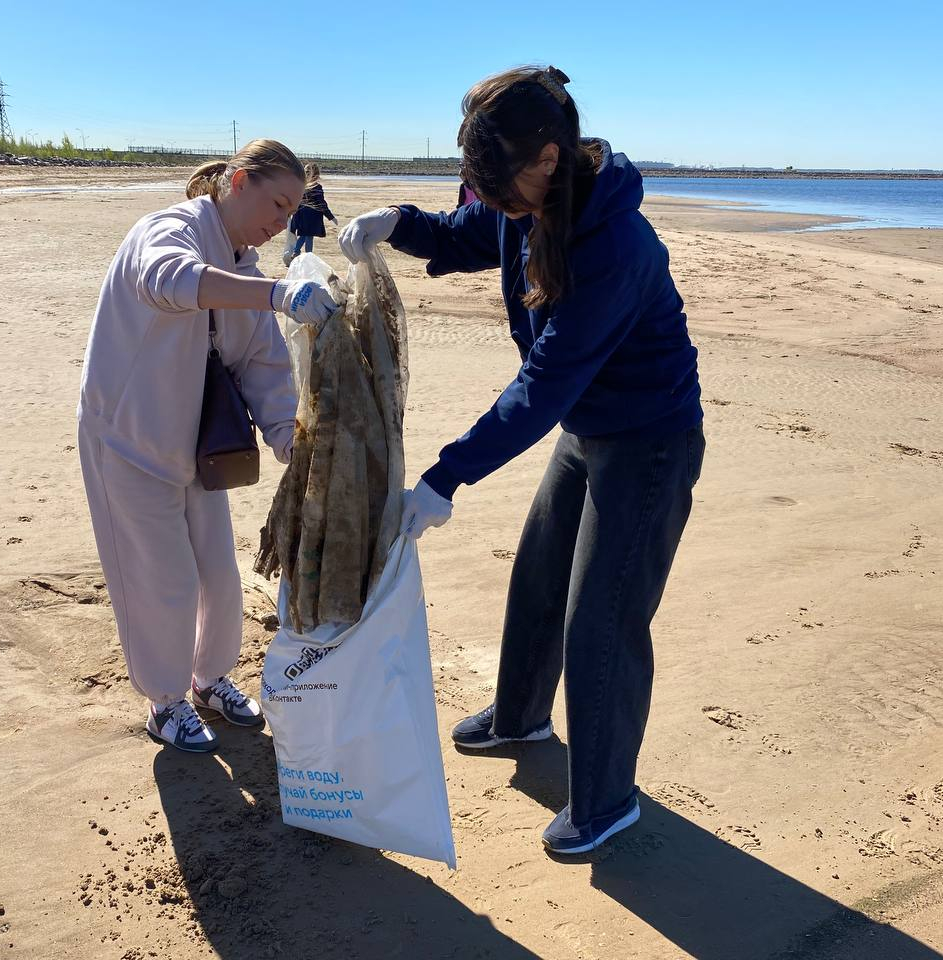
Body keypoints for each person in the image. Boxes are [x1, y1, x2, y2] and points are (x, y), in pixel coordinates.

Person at [338, 66, 704, 855]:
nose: (494, 206)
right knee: (538, 575)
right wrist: (397, 223)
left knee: (601, 618)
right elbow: (463, 232)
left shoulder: (615, 246)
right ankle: (521, 717)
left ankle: (606, 802)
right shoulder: (521, 202)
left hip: (650, 440)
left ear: (547, 158)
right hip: (589, 429)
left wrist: (445, 476)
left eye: (500, 190)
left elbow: (542, 385)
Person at [78, 140, 339, 754]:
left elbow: (263, 367)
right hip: (128, 440)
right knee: (161, 579)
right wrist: (276, 294)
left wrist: (290, 443)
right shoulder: (169, 230)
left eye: (291, 210)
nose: (282, 222)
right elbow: (167, 281)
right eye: (277, 204)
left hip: (196, 448)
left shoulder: (243, 265)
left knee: (218, 576)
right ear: (238, 181)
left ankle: (209, 678)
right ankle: (164, 700)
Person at [287, 162, 337, 259]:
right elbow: (321, 203)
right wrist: (331, 217)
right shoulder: (316, 187)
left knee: (303, 234)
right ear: (317, 174)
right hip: (312, 216)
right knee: (309, 236)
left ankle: (296, 252)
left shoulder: (300, 185)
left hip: (299, 215)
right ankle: (307, 256)